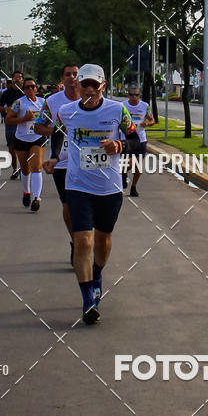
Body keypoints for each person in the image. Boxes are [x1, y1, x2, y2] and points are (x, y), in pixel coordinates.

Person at [47, 64, 138, 324]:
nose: (88, 89)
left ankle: (96, 275)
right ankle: (88, 299)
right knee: (83, 241)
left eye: (93, 85)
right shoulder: (67, 111)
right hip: (78, 186)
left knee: (102, 241)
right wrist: (55, 157)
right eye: (83, 84)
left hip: (109, 188)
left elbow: (136, 140)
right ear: (77, 86)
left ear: (103, 86)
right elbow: (56, 132)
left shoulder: (117, 110)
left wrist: (119, 144)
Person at [37, 63, 80, 265]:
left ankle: (84, 238)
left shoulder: (92, 99)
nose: (72, 77)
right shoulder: (51, 102)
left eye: (75, 74)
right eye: (68, 74)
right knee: (68, 204)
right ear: (62, 79)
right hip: (61, 162)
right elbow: (38, 127)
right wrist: (57, 132)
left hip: (88, 162)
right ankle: (76, 242)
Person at [5, 77, 45, 211]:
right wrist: (24, 119)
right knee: (25, 169)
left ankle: (37, 198)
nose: (30, 89)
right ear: (24, 90)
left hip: (37, 138)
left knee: (36, 167)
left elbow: (49, 118)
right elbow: (8, 120)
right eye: (27, 87)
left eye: (32, 86)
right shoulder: (18, 103)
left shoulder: (43, 102)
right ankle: (26, 192)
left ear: (36, 88)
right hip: (21, 139)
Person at [122, 87, 155, 196]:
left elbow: (152, 120)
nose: (134, 97)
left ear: (139, 96)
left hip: (141, 139)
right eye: (131, 95)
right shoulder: (122, 106)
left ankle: (134, 187)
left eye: (136, 95)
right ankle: (124, 174)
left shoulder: (145, 106)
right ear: (128, 96)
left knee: (139, 166)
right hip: (127, 139)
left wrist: (147, 123)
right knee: (129, 163)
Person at [0, 71, 24, 179]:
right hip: (11, 123)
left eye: (20, 77)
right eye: (15, 77)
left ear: (22, 80)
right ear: (12, 80)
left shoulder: (26, 92)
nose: (18, 79)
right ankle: (15, 169)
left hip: (23, 123)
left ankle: (23, 169)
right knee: (12, 148)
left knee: (23, 148)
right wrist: (6, 109)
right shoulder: (7, 93)